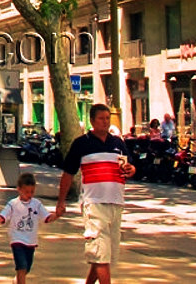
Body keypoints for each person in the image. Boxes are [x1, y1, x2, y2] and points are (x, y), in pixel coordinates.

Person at [56, 103, 136, 284]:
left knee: (105, 255)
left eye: (107, 118)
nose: (105, 122)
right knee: (100, 252)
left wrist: (131, 169)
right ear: (92, 121)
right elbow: (68, 173)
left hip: (116, 203)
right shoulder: (81, 144)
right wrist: (61, 201)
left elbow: (129, 167)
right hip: (94, 204)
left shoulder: (118, 143)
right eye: (101, 118)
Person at [0, 173, 56, 284]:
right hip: (17, 240)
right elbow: (3, 216)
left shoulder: (37, 204)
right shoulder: (13, 204)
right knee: (21, 266)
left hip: (31, 241)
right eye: (26, 192)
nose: (29, 195)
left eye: (32, 192)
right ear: (19, 189)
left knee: (27, 268)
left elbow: (47, 218)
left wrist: (58, 214)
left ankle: (16, 280)